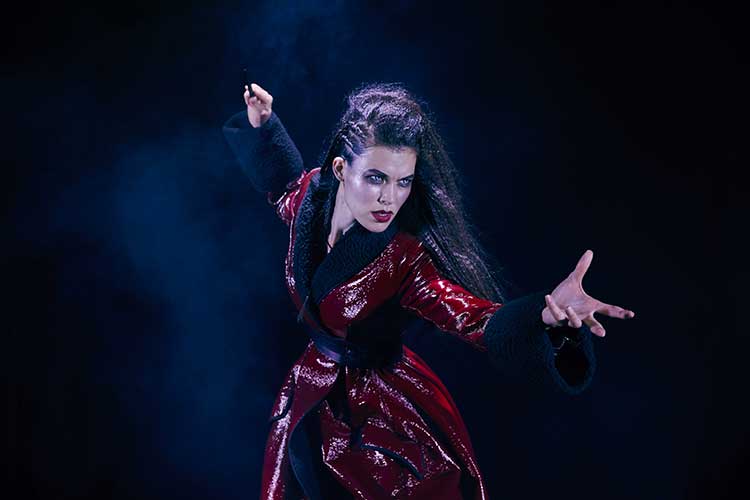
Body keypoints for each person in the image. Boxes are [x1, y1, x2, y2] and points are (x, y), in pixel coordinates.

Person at [222, 81, 635, 499]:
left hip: (380, 417)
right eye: (376, 178)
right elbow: (286, 187)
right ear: (341, 170)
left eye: (403, 182)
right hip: (312, 392)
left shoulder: (403, 256)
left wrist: (542, 317)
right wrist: (265, 125)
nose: (389, 198)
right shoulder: (312, 203)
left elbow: (468, 315)